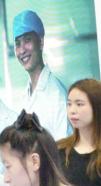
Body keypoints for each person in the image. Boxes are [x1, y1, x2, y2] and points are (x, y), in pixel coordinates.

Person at [12, 10, 71, 139]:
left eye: (27, 40)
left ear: (41, 42)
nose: (22, 50)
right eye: (17, 44)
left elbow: (64, 147)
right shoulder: (24, 97)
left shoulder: (57, 95)